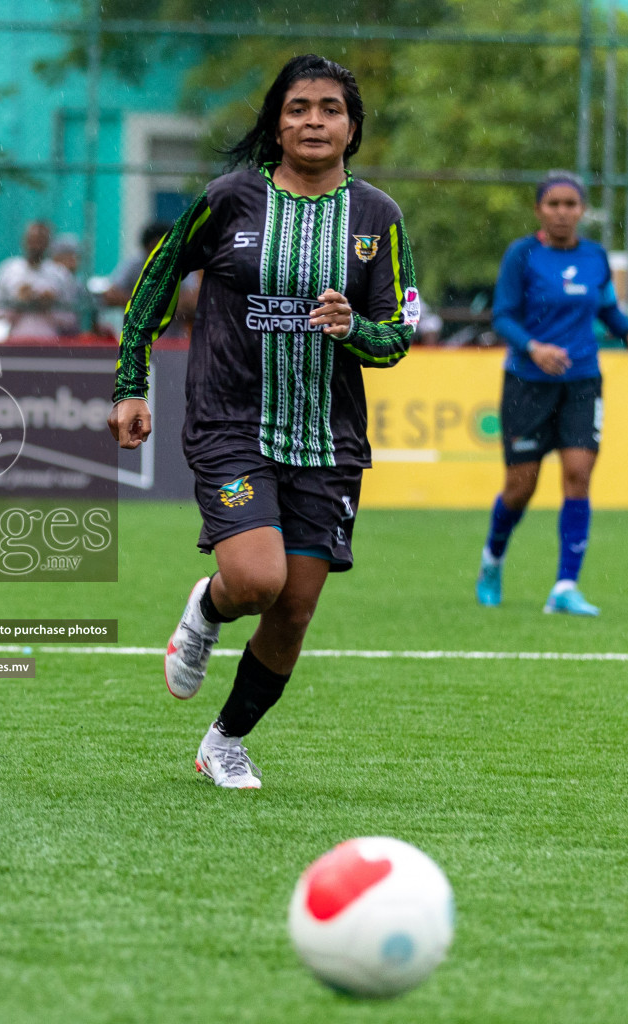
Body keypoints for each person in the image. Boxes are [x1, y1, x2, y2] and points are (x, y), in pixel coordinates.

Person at [108, 54, 418, 791]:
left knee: (294, 610)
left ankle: (226, 740)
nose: (315, 120)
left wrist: (355, 330)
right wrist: (130, 385)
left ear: (353, 126)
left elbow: (397, 335)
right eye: (299, 107)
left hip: (327, 439)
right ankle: (208, 604)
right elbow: (154, 284)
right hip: (230, 421)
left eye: (331, 109)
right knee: (255, 580)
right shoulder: (229, 199)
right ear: (276, 124)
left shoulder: (379, 218)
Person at [475, 171, 628, 616]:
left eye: (570, 204)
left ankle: (564, 587)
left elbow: (607, 308)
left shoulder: (596, 256)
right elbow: (502, 316)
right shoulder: (522, 255)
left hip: (581, 381)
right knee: (521, 488)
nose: (562, 212)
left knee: (578, 473)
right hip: (526, 383)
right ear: (540, 210)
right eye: (553, 204)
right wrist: (534, 347)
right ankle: (492, 560)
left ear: (582, 210)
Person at [103, 220, 199, 337]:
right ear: (145, 248)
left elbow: (194, 301)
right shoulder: (134, 266)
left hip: (172, 341)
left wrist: (146, 307)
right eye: (154, 249)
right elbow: (110, 295)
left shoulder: (180, 265)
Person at [0, 220, 77, 339]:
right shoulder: (8, 270)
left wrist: (50, 306)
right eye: (33, 240)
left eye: (40, 241)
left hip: (50, 343)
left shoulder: (60, 274)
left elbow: (71, 318)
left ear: (48, 243)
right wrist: (18, 303)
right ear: (24, 241)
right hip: (16, 341)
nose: (36, 246)